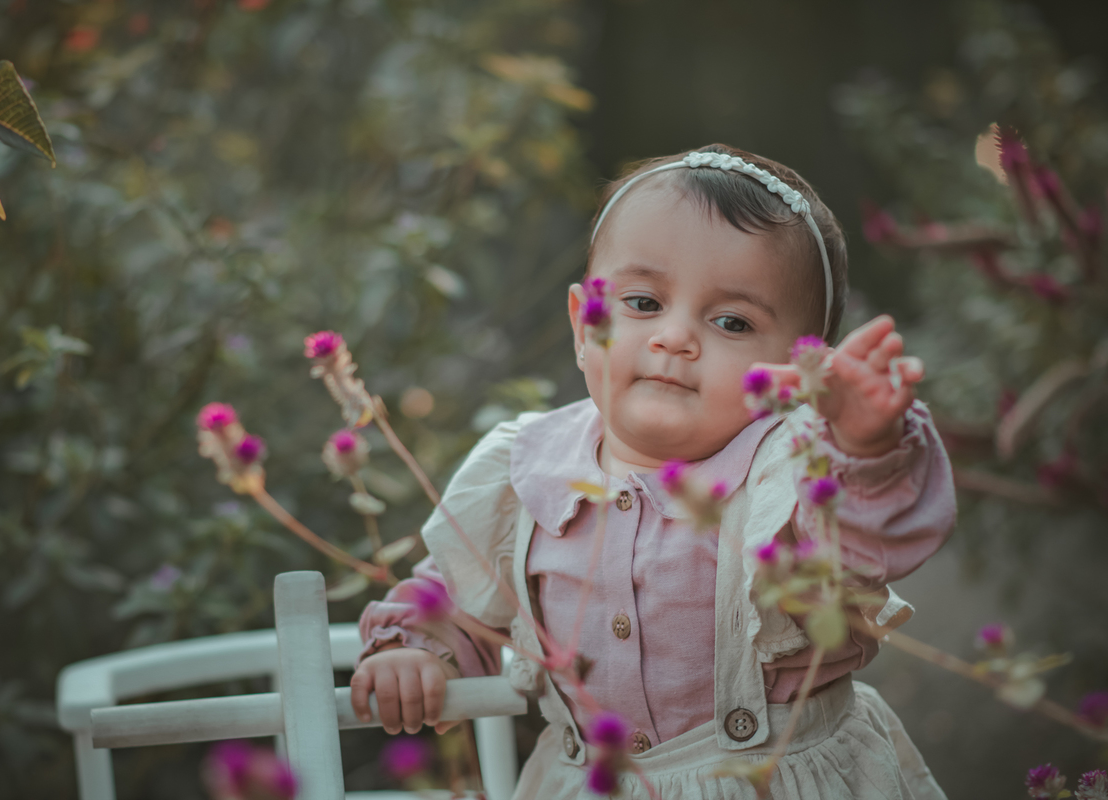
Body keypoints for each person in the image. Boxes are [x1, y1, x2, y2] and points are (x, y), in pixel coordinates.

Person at [349, 143, 955, 799]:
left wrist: (864, 445)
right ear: (584, 326)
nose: (675, 338)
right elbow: (454, 590)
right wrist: (415, 648)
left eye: (731, 320)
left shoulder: (794, 470)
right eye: (642, 303)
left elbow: (866, 540)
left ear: (799, 373)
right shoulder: (527, 472)